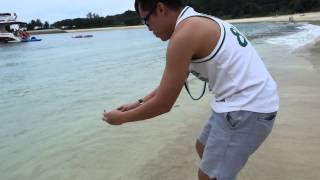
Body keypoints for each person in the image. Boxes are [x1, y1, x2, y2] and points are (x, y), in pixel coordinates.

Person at [102, 0, 279, 180]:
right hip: (242, 102)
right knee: (202, 146)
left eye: (146, 21)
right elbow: (167, 87)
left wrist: (122, 119)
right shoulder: (196, 21)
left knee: (208, 176)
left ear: (161, 8)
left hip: (247, 108)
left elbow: (163, 104)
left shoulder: (185, 34)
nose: (148, 29)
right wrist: (137, 104)